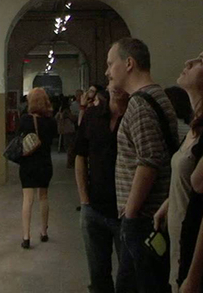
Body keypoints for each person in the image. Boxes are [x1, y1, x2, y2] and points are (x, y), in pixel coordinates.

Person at [105, 37, 178, 292]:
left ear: (129, 64)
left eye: (110, 64)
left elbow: (149, 162)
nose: (107, 72)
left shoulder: (139, 103)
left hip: (144, 218)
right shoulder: (157, 96)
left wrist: (131, 214)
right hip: (150, 215)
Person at [154, 52, 203, 293]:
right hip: (178, 237)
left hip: (193, 249)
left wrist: (193, 277)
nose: (188, 62)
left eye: (200, 61)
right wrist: (169, 202)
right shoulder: (194, 128)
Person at [75, 86, 129, 293]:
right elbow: (80, 155)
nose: (114, 85)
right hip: (95, 209)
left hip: (126, 212)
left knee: (128, 279)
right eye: (110, 80)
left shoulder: (136, 115)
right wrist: (84, 200)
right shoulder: (92, 116)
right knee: (98, 278)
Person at [18, 87, 57, 249]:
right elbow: (53, 139)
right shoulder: (51, 121)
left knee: (27, 199)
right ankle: (43, 232)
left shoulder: (24, 120)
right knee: (43, 197)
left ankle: (26, 237)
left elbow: (18, 139)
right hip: (45, 163)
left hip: (28, 163)